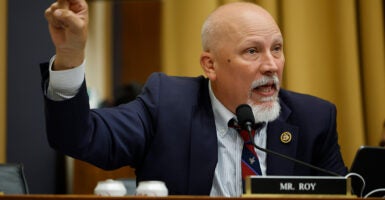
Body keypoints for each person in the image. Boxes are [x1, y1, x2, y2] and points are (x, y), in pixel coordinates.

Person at [42, 0, 347, 196]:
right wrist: (70, 56)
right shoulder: (167, 105)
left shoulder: (313, 119)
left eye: (277, 48)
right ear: (210, 65)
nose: (271, 64)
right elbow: (78, 136)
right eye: (252, 51)